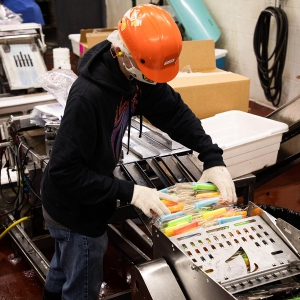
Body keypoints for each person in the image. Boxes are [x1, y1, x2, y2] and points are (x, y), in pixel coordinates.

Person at [41, 4, 237, 300]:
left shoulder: (136, 74)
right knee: (81, 284)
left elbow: (174, 113)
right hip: (75, 212)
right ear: (121, 53)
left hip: (80, 203)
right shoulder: (88, 96)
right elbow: (64, 172)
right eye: (147, 73)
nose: (151, 82)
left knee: (62, 270)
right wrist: (131, 192)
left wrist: (212, 157)